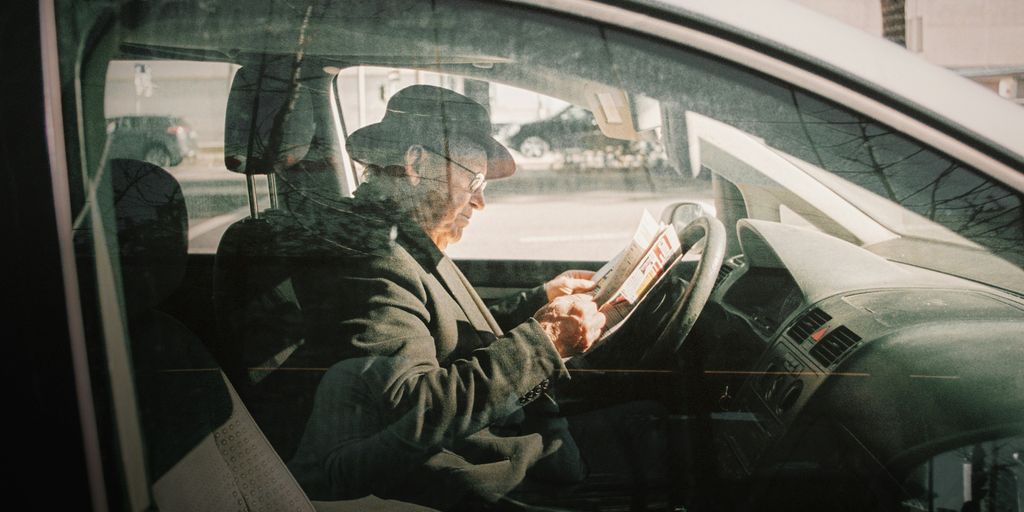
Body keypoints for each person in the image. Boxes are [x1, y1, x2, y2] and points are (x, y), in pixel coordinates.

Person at [285, 85, 607, 510]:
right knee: (662, 431)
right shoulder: (371, 256)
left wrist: (539, 299)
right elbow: (411, 411)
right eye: (474, 180)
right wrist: (544, 342)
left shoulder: (400, 237)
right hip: (493, 477)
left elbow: (440, 335)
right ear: (417, 164)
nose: (480, 201)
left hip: (510, 443)